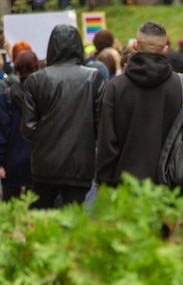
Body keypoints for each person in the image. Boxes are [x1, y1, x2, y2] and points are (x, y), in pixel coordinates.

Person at [96, 21, 183, 188]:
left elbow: (106, 142)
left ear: (135, 45)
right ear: (165, 50)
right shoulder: (182, 86)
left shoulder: (116, 87)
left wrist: (104, 182)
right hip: (171, 186)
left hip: (125, 189)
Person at [21, 24, 106, 209]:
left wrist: (49, 135)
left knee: (42, 223)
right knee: (74, 223)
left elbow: (27, 128)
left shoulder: (36, 80)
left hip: (44, 164)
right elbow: (102, 125)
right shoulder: (94, 78)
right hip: (80, 164)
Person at [0, 50, 39, 202]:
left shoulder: (6, 97)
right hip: (39, 165)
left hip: (12, 167)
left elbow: (2, 131)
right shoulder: (43, 96)